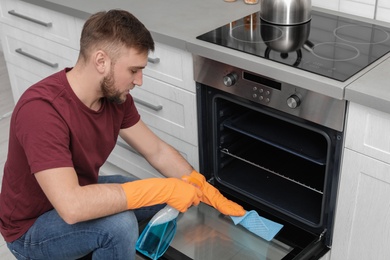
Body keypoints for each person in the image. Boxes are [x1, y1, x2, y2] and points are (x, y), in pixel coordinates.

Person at [0, 9, 245, 260]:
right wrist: (163, 189)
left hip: (80, 189)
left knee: (169, 193)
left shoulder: (115, 97)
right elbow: (72, 206)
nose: (139, 80)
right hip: (31, 228)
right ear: (101, 61)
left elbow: (156, 150)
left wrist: (200, 186)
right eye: (133, 70)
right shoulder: (41, 110)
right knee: (120, 225)